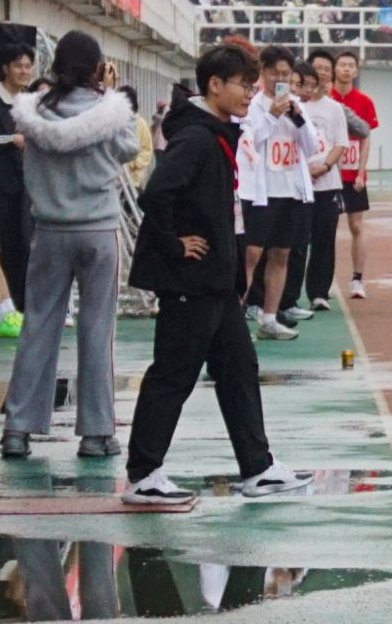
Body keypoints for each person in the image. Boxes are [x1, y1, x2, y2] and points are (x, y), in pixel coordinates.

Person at [119, 43, 311, 506]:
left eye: (253, 85)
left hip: (217, 283)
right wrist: (175, 244)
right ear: (214, 85)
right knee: (174, 373)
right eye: (244, 85)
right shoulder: (197, 138)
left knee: (239, 369)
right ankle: (143, 475)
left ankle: (258, 467)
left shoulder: (216, 132)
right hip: (192, 280)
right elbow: (156, 194)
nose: (251, 93)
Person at [0, 33, 139, 461]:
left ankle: (18, 428)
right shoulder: (109, 111)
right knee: (97, 330)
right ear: (97, 67)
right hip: (98, 229)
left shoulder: (33, 112)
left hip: (49, 230)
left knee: (39, 325)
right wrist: (110, 92)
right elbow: (129, 148)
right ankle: (96, 433)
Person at [238, 46, 317, 341]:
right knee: (252, 253)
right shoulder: (253, 105)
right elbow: (249, 141)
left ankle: (270, 318)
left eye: (286, 73)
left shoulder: (296, 105)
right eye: (275, 73)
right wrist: (272, 116)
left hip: (290, 190)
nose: (280, 79)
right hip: (262, 191)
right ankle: (236, 315)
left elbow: (312, 147)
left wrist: (298, 119)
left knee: (281, 253)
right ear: (263, 73)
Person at [280, 58, 348, 317]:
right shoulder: (290, 105)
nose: (320, 73)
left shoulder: (334, 108)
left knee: (324, 240)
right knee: (296, 243)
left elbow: (340, 143)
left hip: (326, 183)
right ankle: (289, 297)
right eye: (316, 68)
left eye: (326, 69)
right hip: (297, 183)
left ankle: (319, 293)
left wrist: (326, 166)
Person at [329, 49, 377, 300]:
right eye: (342, 65)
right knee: (326, 228)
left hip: (353, 176)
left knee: (356, 225)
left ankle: (358, 279)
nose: (346, 69)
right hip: (329, 174)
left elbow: (366, 138)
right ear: (334, 69)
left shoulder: (364, 101)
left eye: (350, 65)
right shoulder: (326, 97)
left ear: (356, 71)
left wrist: (360, 172)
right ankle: (325, 279)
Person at [0, 33, 34, 335]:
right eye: (18, 65)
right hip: (1, 185)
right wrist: (11, 139)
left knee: (22, 244)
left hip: (24, 186)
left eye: (28, 65)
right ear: (5, 68)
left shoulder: (28, 102)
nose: (24, 71)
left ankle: (19, 308)